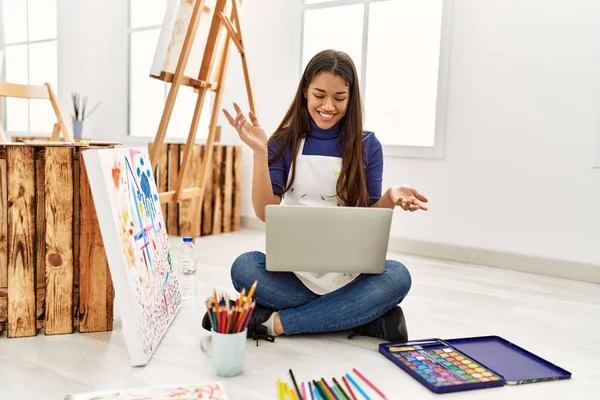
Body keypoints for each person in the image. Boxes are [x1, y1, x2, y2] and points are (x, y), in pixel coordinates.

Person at [202, 49, 428, 343]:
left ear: (351, 97)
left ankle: (274, 323)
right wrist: (259, 152)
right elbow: (264, 210)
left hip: (350, 276)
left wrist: (391, 196)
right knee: (243, 267)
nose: (328, 106)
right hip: (295, 276)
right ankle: (366, 316)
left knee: (398, 276)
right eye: (320, 94)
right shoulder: (284, 142)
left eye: (339, 98)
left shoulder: (368, 145)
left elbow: (370, 216)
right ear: (306, 89)